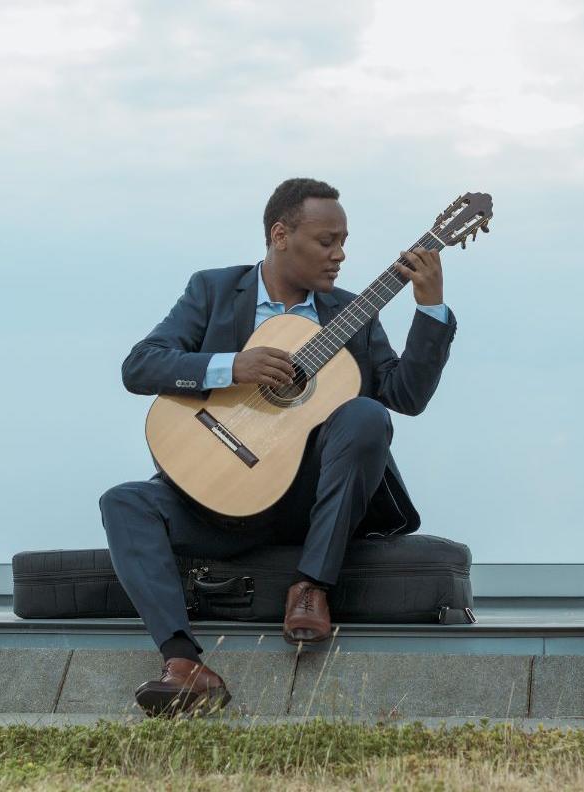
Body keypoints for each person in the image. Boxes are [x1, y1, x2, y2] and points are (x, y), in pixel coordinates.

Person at [100, 177, 457, 716]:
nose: (340, 255)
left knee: (365, 412)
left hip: (306, 503)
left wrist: (430, 310)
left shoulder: (350, 313)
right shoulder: (214, 290)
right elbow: (140, 365)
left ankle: (311, 586)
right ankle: (184, 664)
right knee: (122, 502)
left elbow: (405, 396)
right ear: (280, 234)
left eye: (344, 241)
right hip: (216, 495)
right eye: (326, 241)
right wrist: (230, 366)